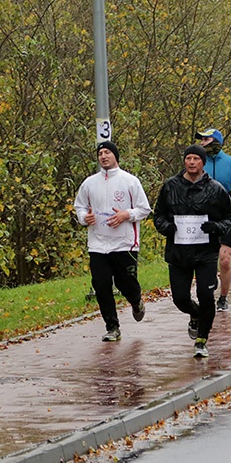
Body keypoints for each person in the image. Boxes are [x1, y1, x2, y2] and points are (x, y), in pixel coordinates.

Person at [154, 145, 231, 358]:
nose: (192, 162)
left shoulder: (216, 189)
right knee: (180, 299)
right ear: (184, 162)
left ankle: (202, 340)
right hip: (178, 253)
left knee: (205, 294)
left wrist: (217, 228)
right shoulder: (170, 187)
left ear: (203, 163)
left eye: (196, 159)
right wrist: (167, 227)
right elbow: (158, 215)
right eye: (188, 158)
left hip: (205, 253)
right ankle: (196, 315)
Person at [74, 141, 152, 342]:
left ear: (115, 156)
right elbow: (80, 207)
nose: (103, 156)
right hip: (98, 244)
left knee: (125, 282)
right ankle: (112, 327)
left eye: (107, 152)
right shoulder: (89, 183)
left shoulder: (130, 181)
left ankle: (136, 301)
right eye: (100, 153)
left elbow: (144, 209)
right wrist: (84, 218)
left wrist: (127, 214)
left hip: (124, 243)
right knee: (101, 285)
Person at [195, 128, 231, 313]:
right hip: (203, 216)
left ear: (217, 142)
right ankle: (206, 294)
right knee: (203, 259)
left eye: (206, 139)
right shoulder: (197, 163)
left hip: (227, 215)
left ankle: (223, 297)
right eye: (201, 139)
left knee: (225, 261)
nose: (203, 142)